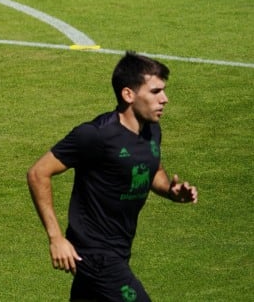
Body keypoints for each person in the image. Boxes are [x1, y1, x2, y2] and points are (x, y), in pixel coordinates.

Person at [27, 51, 198, 301]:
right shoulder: (95, 135)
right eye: (155, 91)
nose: (165, 99)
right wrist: (56, 239)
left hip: (120, 248)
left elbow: (153, 171)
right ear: (128, 94)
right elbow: (38, 173)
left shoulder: (151, 130)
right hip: (94, 252)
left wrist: (170, 191)